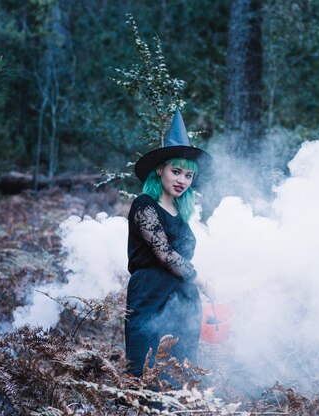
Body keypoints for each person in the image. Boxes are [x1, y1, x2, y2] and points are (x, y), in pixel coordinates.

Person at [125, 109, 214, 378]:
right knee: (148, 369)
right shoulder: (144, 206)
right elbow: (164, 254)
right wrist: (202, 281)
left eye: (188, 176)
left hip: (183, 301)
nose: (182, 181)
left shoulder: (181, 212)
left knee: (180, 375)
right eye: (176, 172)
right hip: (150, 295)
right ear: (160, 169)